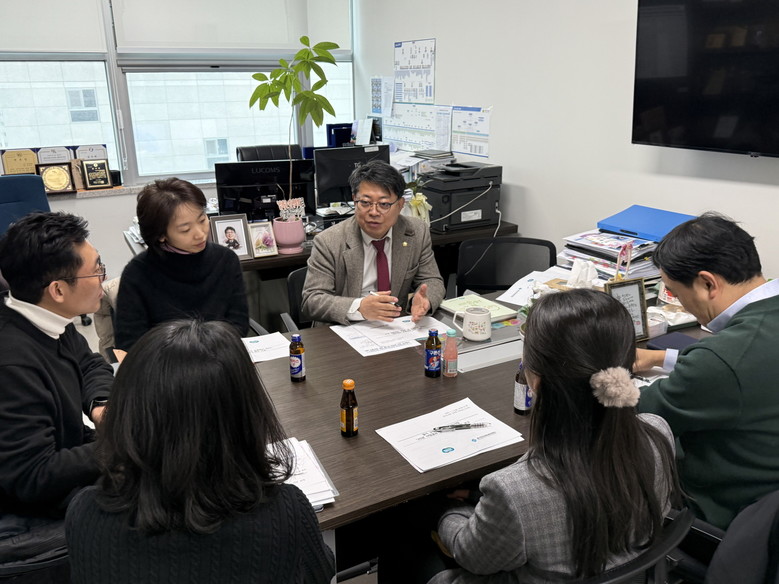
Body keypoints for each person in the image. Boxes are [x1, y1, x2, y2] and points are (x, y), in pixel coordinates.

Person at [428, 289, 679, 583]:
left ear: (534, 379)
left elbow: (472, 556)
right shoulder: (658, 434)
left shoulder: (514, 490)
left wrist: (450, 512)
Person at [66, 319, 335, 584]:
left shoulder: (85, 514)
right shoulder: (286, 513)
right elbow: (320, 571)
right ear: (245, 416)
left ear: (129, 411)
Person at [636, 212, 779, 529]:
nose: (680, 304)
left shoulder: (721, 361)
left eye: (675, 293)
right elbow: (744, 369)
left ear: (707, 283)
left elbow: (637, 413)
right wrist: (659, 358)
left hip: (728, 522)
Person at [0, 212, 114, 517]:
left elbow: (89, 364)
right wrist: (123, 444)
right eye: (97, 271)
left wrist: (101, 405)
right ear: (58, 290)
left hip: (66, 455)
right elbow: (32, 475)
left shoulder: (44, 314)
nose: (103, 279)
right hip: (34, 509)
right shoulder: (12, 365)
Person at [301, 160, 445, 325]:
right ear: (354, 200)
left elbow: (432, 280)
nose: (374, 212)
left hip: (395, 327)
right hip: (345, 328)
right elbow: (312, 300)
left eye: (384, 204)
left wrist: (424, 301)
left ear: (400, 205)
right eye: (365, 202)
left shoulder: (416, 231)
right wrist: (359, 307)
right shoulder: (329, 241)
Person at [114, 178, 249, 353]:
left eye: (202, 220)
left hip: (220, 359)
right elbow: (131, 343)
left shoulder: (226, 260)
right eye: (185, 229)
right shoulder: (137, 274)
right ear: (161, 235)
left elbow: (239, 324)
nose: (200, 234)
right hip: (165, 365)